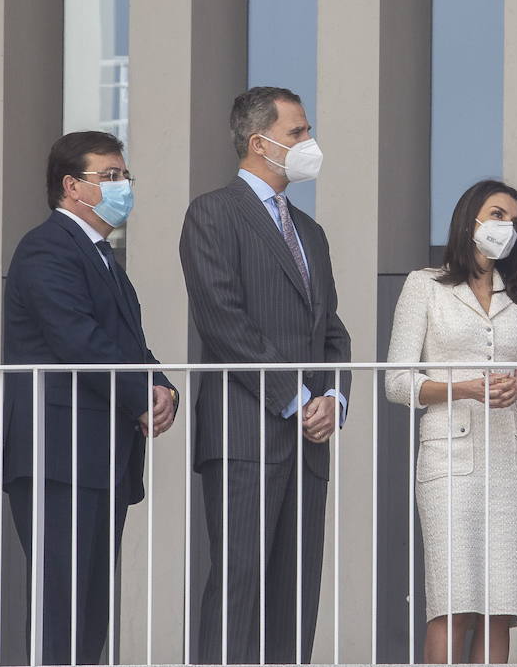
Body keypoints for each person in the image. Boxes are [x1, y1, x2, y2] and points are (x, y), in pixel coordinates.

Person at [179, 86, 350, 665]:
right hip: (244, 435)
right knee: (240, 584)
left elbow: (334, 333)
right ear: (260, 142)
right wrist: (295, 397)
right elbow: (223, 322)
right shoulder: (213, 212)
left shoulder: (312, 232)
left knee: (295, 596)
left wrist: (332, 399)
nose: (309, 143)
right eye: (298, 132)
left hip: (307, 444)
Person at [0, 130, 177, 665]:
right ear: (72, 186)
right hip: (59, 455)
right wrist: (142, 392)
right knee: (62, 604)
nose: (123, 187)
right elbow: (76, 338)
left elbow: (127, 343)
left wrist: (162, 384)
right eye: (111, 176)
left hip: (98, 455)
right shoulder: (47, 247)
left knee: (90, 607)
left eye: (125, 176)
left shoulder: (101, 257)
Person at [385, 179, 517, 665]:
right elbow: (397, 382)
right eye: (498, 215)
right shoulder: (425, 285)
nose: (507, 227)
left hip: (510, 462)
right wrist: (464, 387)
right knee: (453, 603)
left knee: (502, 607)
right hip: (450, 464)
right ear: (470, 219)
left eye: (514, 222)